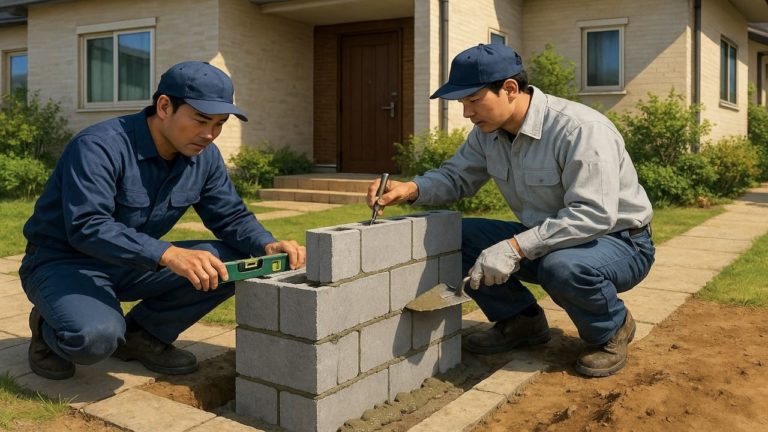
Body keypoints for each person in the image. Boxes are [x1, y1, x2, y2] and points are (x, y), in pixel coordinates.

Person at [367, 44, 655, 377]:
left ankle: (612, 328)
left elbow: (593, 214)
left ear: (510, 89)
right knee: (457, 237)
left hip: (619, 242)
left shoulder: (580, 130)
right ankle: (522, 322)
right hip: (548, 239)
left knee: (561, 267)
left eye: (473, 100)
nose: (467, 113)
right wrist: (410, 189)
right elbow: (456, 176)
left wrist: (514, 247)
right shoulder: (487, 134)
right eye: (462, 103)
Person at [20, 61, 306, 380]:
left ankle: (144, 336)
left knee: (236, 261)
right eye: (200, 120)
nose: (209, 134)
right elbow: (88, 226)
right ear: (165, 106)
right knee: (95, 339)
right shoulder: (99, 146)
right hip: (65, 262)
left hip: (133, 263)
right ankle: (47, 326)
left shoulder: (204, 157)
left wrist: (267, 243)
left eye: (219, 123)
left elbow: (230, 214)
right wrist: (168, 254)